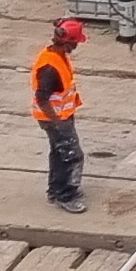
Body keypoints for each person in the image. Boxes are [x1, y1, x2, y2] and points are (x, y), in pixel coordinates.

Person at [33, 18, 89, 213]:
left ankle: (55, 190)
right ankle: (66, 195)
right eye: (75, 42)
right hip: (55, 119)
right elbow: (42, 98)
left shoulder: (56, 55)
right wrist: (57, 122)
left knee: (58, 153)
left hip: (59, 116)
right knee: (71, 155)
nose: (76, 45)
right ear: (66, 41)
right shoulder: (50, 68)